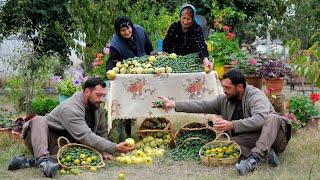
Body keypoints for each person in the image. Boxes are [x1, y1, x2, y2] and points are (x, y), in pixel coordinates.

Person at [157, 70, 291, 175]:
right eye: (223, 87)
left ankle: (254, 159)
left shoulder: (255, 96)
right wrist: (174, 104)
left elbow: (261, 119)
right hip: (254, 137)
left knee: (272, 118)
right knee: (228, 143)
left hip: (275, 136)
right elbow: (202, 105)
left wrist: (232, 125)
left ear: (239, 87)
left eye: (227, 87)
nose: (224, 90)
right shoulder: (225, 99)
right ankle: (266, 154)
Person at [8, 77, 134, 178]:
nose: (102, 99)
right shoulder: (70, 108)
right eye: (98, 95)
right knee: (38, 120)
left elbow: (102, 130)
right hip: (40, 139)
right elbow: (86, 136)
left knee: (76, 159)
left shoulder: (97, 107)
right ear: (86, 92)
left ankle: (31, 162)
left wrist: (105, 151)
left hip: (62, 143)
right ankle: (43, 160)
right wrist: (114, 147)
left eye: (103, 95)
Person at [162, 4, 212, 70]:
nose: (185, 22)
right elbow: (166, 43)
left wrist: (205, 59)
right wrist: (166, 53)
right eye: (183, 18)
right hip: (173, 62)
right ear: (180, 17)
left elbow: (201, 45)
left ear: (193, 19)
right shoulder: (174, 27)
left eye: (188, 19)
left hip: (191, 63)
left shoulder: (196, 29)